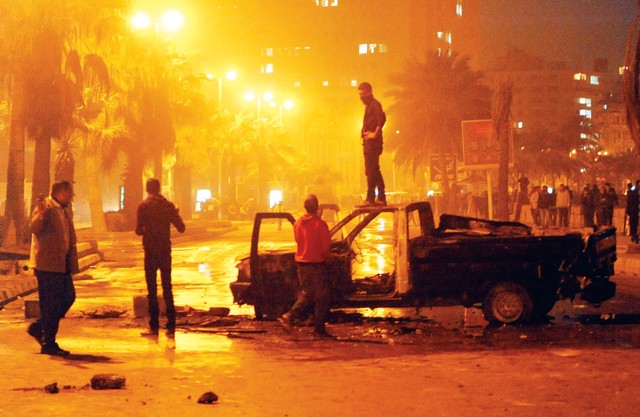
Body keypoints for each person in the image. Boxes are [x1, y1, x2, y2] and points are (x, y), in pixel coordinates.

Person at [27, 180, 78, 357]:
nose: (71, 196)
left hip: (62, 265)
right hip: (47, 266)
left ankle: (39, 327)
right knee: (50, 305)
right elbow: (34, 227)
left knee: (69, 297)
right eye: (69, 192)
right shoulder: (46, 207)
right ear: (60, 192)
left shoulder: (62, 210)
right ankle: (48, 343)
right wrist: (40, 214)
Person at [278, 194, 334, 338]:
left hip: (301, 264)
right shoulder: (320, 224)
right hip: (316, 265)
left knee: (308, 293)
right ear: (317, 207)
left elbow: (299, 241)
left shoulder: (298, 223)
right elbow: (325, 248)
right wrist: (330, 259)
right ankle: (317, 328)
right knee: (322, 296)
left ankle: (291, 317)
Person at [135, 178, 185, 337]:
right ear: (159, 189)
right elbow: (181, 228)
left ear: (147, 189)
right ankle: (171, 322)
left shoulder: (143, 206)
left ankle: (154, 325)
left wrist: (148, 230)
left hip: (150, 250)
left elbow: (138, 231)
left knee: (152, 288)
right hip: (164, 250)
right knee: (167, 286)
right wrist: (175, 214)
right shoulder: (168, 206)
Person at [358, 82, 387, 206]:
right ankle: (381, 197)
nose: (362, 97)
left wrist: (375, 134)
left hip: (373, 143)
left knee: (371, 170)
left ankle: (371, 198)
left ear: (370, 92)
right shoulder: (368, 106)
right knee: (374, 170)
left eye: (364, 93)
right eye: (360, 94)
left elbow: (382, 118)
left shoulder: (375, 104)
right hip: (368, 143)